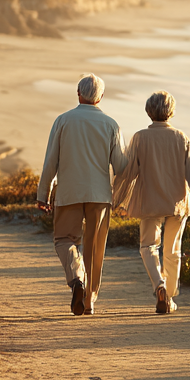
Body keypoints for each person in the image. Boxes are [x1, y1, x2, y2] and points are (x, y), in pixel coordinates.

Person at [36, 74, 128, 316]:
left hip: (69, 191)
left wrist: (43, 193)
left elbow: (50, 162)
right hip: (99, 195)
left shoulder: (63, 121)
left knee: (64, 240)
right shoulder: (111, 124)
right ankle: (89, 302)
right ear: (101, 97)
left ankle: (77, 278)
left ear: (78, 93)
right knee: (95, 247)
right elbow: (120, 166)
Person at [113, 90, 190, 314]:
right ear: (171, 112)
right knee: (173, 250)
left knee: (148, 247)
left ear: (149, 112)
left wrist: (117, 199)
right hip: (177, 202)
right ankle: (171, 297)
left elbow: (128, 172)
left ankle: (160, 286)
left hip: (149, 200)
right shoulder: (181, 137)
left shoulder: (140, 137)